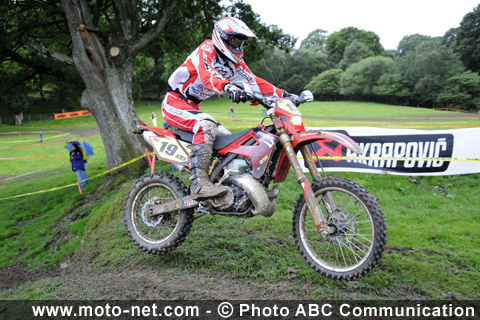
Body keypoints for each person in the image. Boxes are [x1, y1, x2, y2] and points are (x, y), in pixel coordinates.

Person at [161, 16, 294, 203]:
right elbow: (208, 74)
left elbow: (254, 83)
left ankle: (230, 189)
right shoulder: (206, 49)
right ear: (222, 37)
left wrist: (285, 95)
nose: (237, 44)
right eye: (234, 40)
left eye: (240, 41)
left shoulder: (234, 65)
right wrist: (228, 86)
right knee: (206, 125)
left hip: (192, 107)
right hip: (174, 102)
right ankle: (198, 183)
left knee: (230, 143)